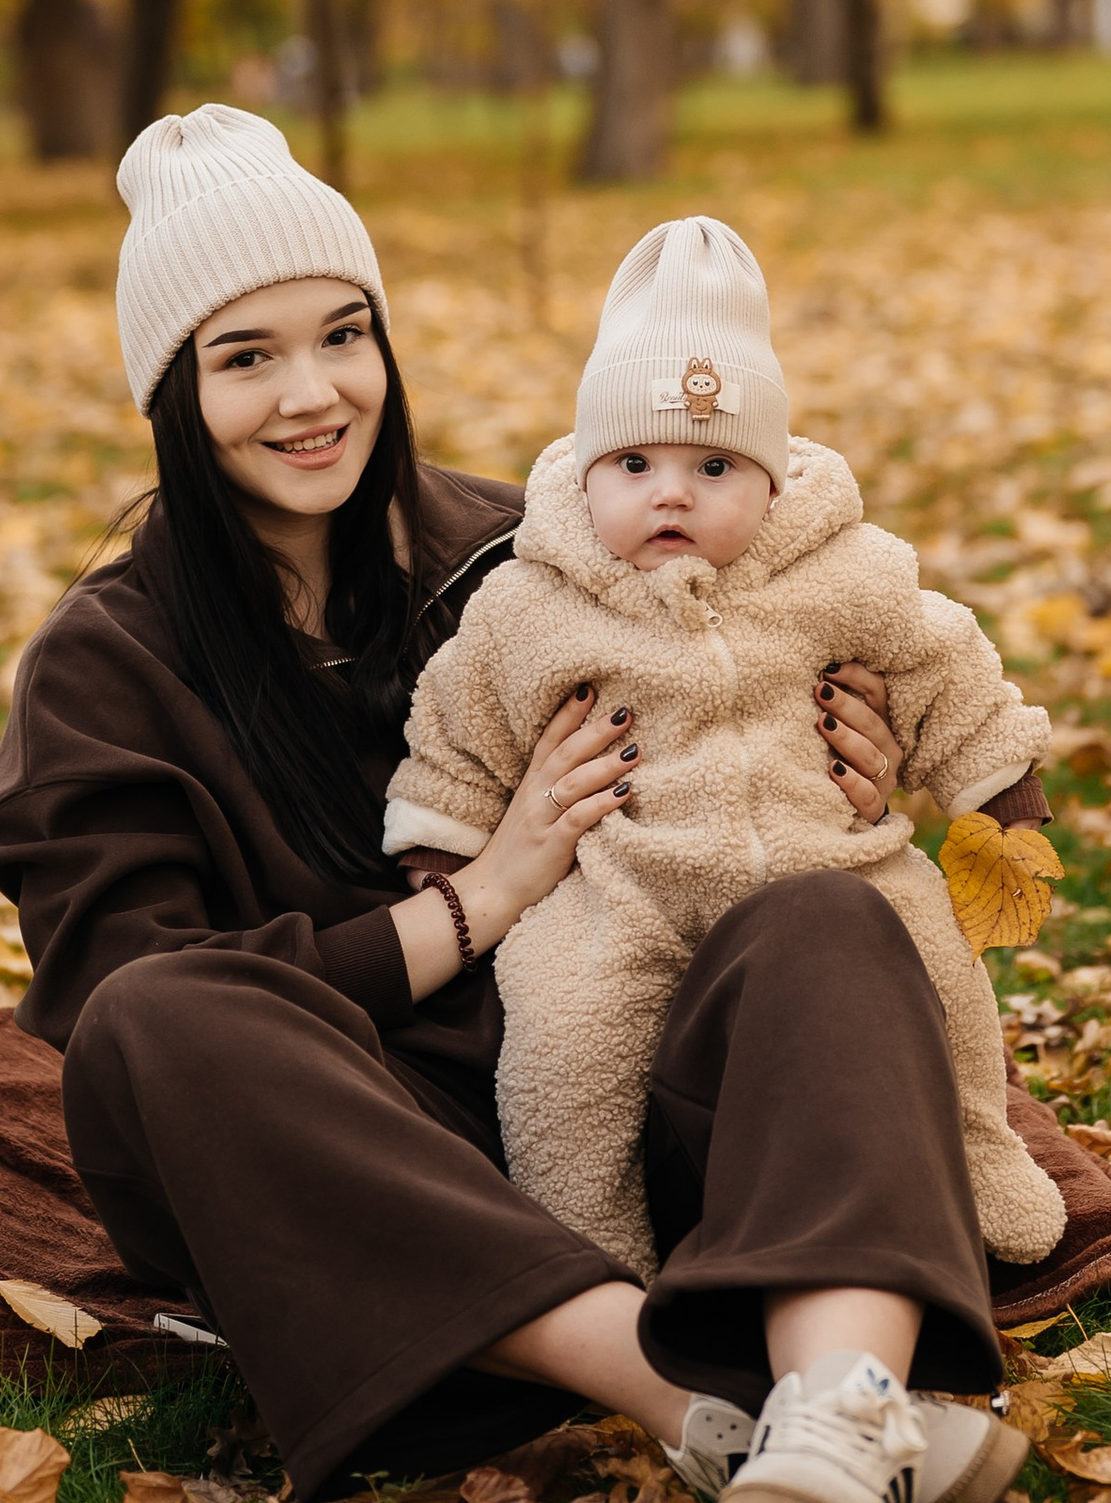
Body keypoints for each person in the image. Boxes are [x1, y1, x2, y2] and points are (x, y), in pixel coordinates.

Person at [0, 104, 1042, 1503]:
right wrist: (482, 898)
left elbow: (800, 643)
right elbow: (113, 991)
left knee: (830, 920)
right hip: (356, 1156)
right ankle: (698, 1406)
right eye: (245, 356)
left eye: (344, 336)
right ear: (170, 391)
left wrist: (858, 759)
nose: (312, 395)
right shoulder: (108, 666)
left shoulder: (536, 549)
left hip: (633, 1081)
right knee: (162, 1025)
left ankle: (842, 1400)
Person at [383, 216, 1065, 1429]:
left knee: (942, 987)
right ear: (584, 470)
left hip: (833, 863)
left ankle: (983, 1164)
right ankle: (588, 1253)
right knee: (565, 1037)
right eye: (634, 465)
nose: (669, 497)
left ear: (772, 475)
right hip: (624, 892)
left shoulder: (842, 571)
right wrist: (451, 858)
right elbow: (458, 733)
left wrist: (997, 798)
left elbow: (948, 670)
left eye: (711, 469)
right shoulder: (531, 602)